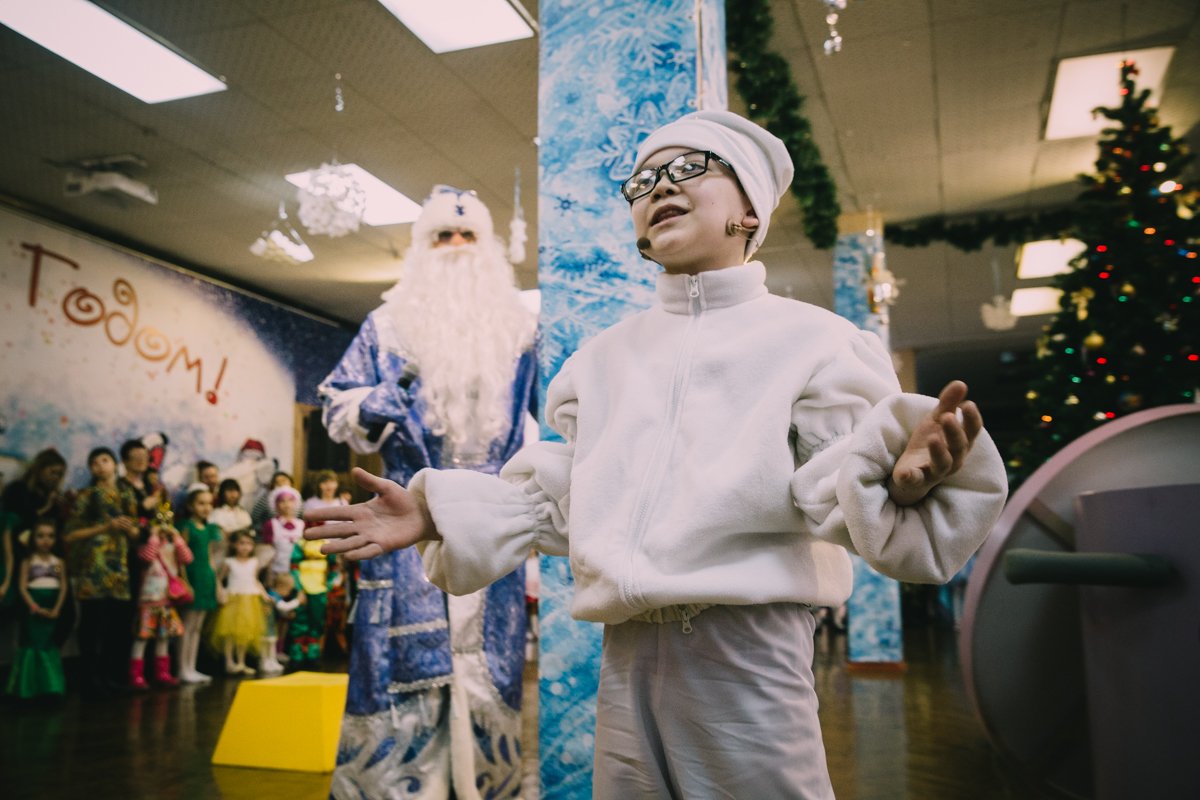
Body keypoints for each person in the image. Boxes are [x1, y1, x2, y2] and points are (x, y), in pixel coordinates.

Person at [307, 110, 1008, 800]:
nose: (659, 187)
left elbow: (831, 479)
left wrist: (896, 477)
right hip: (628, 653)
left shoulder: (815, 343)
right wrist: (438, 512)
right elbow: (568, 498)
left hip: (749, 650)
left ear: (749, 213)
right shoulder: (604, 361)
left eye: (689, 168)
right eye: (643, 182)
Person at [316, 185, 537, 799]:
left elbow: (563, 425)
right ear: (421, 247)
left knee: (489, 673)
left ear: (488, 247)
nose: (457, 248)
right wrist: (379, 402)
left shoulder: (521, 329)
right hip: (401, 527)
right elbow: (336, 407)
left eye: (468, 236)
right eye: (443, 236)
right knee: (401, 675)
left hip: (493, 530)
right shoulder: (386, 329)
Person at [65, 447, 140, 699]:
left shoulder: (126, 493)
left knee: (117, 626)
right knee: (92, 625)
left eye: (105, 460)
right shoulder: (86, 495)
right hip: (93, 567)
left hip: (118, 567)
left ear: (115, 464)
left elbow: (138, 531)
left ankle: (114, 677)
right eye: (94, 462)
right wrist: (105, 527)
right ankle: (90, 679)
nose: (100, 466)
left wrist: (131, 531)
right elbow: (71, 534)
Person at [4, 519, 67, 700]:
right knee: (32, 644)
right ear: (33, 539)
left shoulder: (58, 562)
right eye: (40, 536)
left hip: (52, 605)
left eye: (50, 536)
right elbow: (22, 586)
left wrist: (57, 609)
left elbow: (63, 587)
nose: (45, 540)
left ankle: (50, 687)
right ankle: (28, 687)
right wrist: (34, 606)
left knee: (48, 644)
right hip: (33, 608)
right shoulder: (28, 561)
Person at [129, 512, 193, 689]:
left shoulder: (171, 547)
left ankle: (162, 673)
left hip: (166, 600)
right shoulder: (145, 546)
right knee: (142, 638)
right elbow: (147, 557)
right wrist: (154, 536)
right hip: (149, 600)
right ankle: (136, 676)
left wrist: (177, 539)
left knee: (164, 638)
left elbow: (187, 558)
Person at [179, 486, 223, 684]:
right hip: (192, 576)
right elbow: (180, 557)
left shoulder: (210, 529)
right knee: (187, 625)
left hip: (206, 577)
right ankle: (182, 668)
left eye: (209, 503)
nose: (206, 508)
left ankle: (192, 666)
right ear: (190, 506)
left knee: (197, 627)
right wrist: (184, 582)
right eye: (201, 503)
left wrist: (217, 584)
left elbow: (212, 557)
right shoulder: (186, 527)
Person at [210, 529, 268, 676]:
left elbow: (255, 580)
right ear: (234, 545)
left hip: (250, 600)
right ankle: (229, 662)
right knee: (230, 632)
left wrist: (264, 594)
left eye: (249, 543)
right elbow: (219, 578)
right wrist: (221, 592)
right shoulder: (229, 562)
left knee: (245, 633)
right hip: (233, 598)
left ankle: (241, 662)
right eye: (241, 543)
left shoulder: (254, 562)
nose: (245, 547)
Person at [261, 486, 304, 580]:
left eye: (290, 500)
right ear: (276, 504)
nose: (287, 504)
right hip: (277, 572)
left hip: (299, 572)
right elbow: (267, 551)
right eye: (282, 501)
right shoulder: (271, 524)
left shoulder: (301, 524)